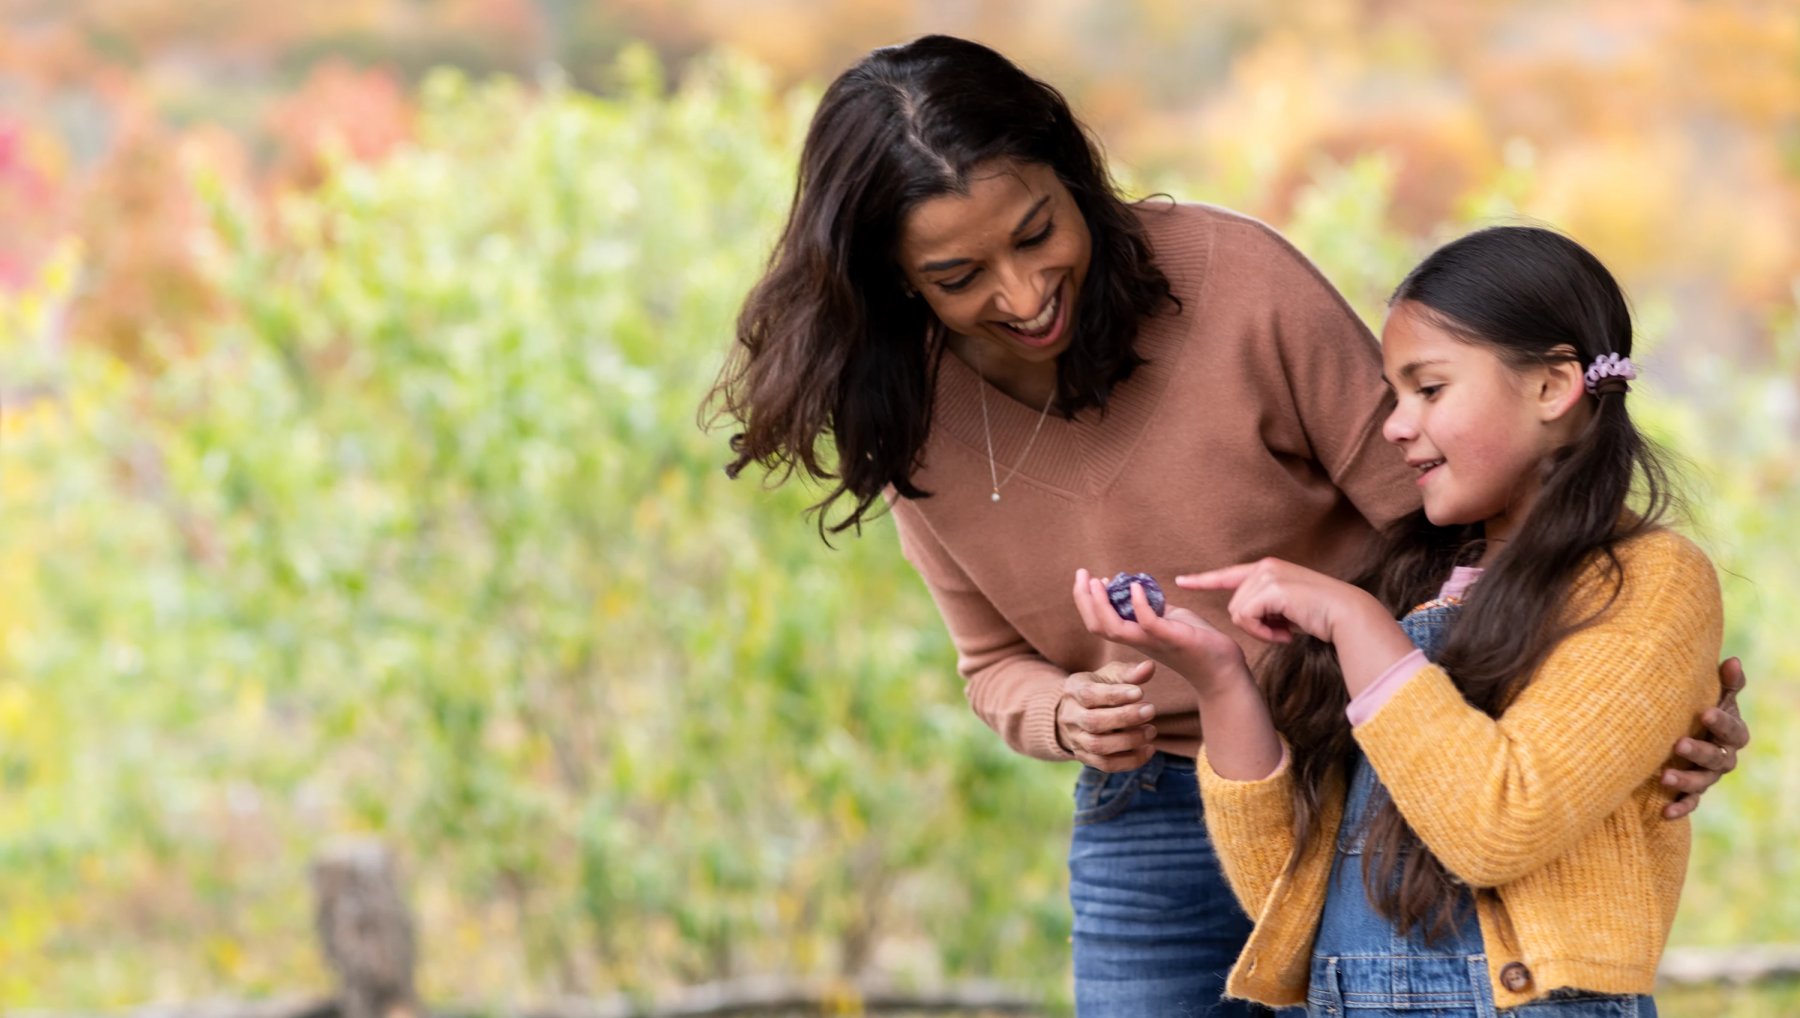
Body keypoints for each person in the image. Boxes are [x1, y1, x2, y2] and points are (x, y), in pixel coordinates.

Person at [708, 35, 1748, 1016]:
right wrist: (1068, 713)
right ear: (895, 278)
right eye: (959, 278)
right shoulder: (906, 418)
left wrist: (1639, 697)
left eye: (1036, 234)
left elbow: (1493, 508)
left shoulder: (1235, 284)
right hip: (1152, 806)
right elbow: (990, 666)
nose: (1023, 295)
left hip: (1368, 767)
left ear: (1073, 176)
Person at [1075, 225, 1723, 1016]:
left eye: (1430, 389)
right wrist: (1217, 679)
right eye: (1393, 395)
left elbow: (1498, 827)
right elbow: (1282, 894)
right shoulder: (1411, 585)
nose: (1394, 425)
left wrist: (1354, 622)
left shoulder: (1648, 580)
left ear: (1553, 388)